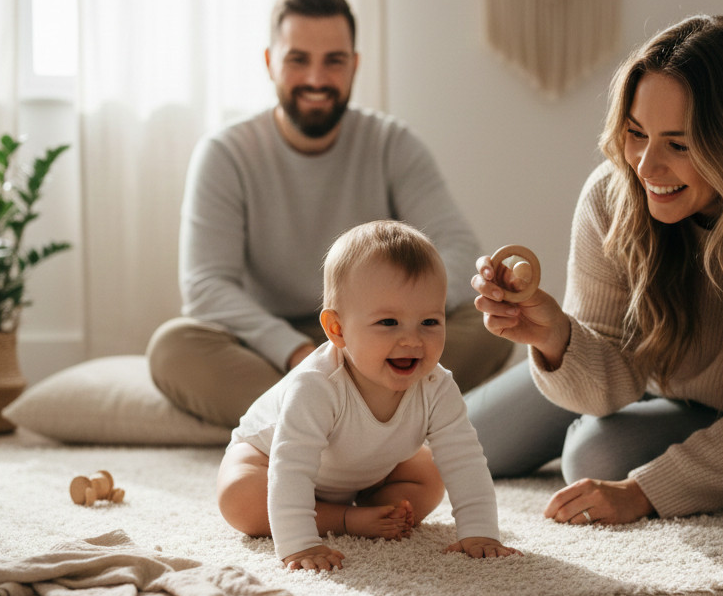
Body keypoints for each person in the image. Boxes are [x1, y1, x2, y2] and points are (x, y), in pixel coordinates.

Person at [467, 14, 723, 529]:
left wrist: (641, 492)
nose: (645, 167)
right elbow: (610, 381)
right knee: (450, 443)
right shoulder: (612, 194)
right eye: (637, 133)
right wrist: (556, 337)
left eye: (679, 145)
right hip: (639, 375)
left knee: (595, 459)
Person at [148, 0, 511, 427]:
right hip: (273, 346)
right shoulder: (225, 153)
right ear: (270, 63)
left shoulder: (391, 143)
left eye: (334, 61)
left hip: (380, 335)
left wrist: (388, 328)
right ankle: (372, 422)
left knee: (492, 325)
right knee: (174, 347)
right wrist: (301, 353)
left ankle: (317, 426)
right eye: (298, 59)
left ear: (354, 65)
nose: (317, 79)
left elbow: (456, 250)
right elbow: (206, 286)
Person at [216, 220, 522, 571]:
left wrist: (480, 532)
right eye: (389, 323)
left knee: (430, 475)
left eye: (430, 322)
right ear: (337, 329)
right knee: (238, 498)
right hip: (271, 461)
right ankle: (342, 518)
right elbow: (291, 468)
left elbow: (465, 459)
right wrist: (300, 546)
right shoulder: (316, 386)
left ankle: (372, 506)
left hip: (365, 472)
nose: (412, 340)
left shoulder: (437, 386)